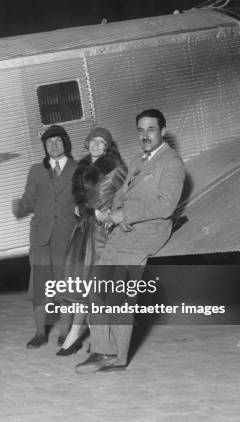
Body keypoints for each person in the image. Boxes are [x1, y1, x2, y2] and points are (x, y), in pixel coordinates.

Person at [75, 109, 185, 372]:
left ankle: (110, 354)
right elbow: (120, 194)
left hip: (146, 232)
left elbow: (165, 206)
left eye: (151, 129)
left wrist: (122, 214)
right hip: (122, 230)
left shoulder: (172, 163)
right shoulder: (138, 160)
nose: (145, 135)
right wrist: (107, 211)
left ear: (163, 131)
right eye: (140, 130)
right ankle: (108, 352)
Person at [56, 127, 127, 356]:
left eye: (101, 142)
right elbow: (81, 200)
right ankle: (85, 337)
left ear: (107, 146)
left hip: (103, 232)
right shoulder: (82, 167)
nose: (96, 145)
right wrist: (82, 207)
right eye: (93, 141)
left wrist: (99, 210)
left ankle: (79, 336)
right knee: (83, 286)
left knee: (96, 287)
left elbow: (116, 197)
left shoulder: (115, 167)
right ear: (87, 144)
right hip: (85, 231)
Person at [12, 125, 78, 348]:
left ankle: (65, 333)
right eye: (49, 142)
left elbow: (85, 200)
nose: (53, 145)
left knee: (67, 286)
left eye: (58, 141)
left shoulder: (78, 168)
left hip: (67, 236)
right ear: (45, 147)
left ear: (65, 143)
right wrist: (19, 208)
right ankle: (40, 333)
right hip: (40, 237)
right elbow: (29, 199)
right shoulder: (35, 170)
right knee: (40, 286)